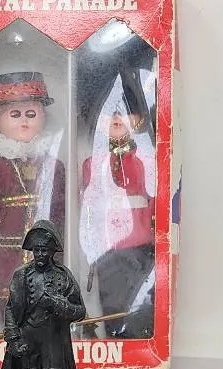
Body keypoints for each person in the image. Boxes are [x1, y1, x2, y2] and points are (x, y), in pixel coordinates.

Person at [0, 71, 67, 326]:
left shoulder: (53, 165)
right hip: (7, 248)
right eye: (15, 114)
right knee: (11, 294)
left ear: (43, 116)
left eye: (31, 114)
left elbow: (59, 208)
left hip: (44, 249)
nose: (24, 121)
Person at [79, 62, 155, 339]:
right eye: (109, 113)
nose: (116, 118)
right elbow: (88, 205)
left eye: (125, 112)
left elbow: (154, 195)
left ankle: (135, 332)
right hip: (106, 242)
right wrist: (89, 237)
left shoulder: (144, 159)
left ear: (139, 119)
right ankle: (114, 333)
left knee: (138, 291)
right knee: (109, 294)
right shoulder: (93, 163)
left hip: (139, 239)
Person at [0, 221, 85, 369]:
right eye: (36, 250)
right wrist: (13, 338)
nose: (39, 254)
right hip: (28, 337)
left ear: (52, 251)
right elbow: (10, 308)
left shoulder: (63, 276)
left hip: (53, 341)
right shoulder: (21, 275)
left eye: (44, 250)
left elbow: (79, 311)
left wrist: (57, 304)